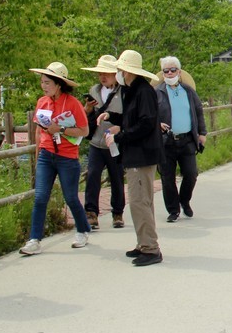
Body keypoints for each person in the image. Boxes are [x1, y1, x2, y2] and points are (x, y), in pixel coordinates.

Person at [19, 62, 92, 256]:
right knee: (40, 197)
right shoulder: (42, 102)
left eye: (48, 82)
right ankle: (34, 239)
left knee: (70, 197)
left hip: (67, 157)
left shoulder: (73, 103)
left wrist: (60, 129)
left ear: (59, 83)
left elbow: (84, 130)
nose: (44, 86)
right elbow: (37, 130)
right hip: (46, 155)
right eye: (42, 82)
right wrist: (37, 155)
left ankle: (83, 229)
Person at [102, 50, 164, 267]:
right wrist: (113, 116)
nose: (118, 73)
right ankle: (143, 242)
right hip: (137, 152)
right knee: (142, 201)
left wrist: (122, 135)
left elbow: (146, 123)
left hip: (141, 153)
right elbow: (133, 118)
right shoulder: (133, 90)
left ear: (127, 71)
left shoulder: (143, 91)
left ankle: (150, 248)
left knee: (139, 201)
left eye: (120, 69)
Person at [155, 56, 206, 222]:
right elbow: (149, 115)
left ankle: (184, 200)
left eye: (172, 70)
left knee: (191, 173)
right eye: (166, 71)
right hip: (166, 141)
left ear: (179, 71)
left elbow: (198, 111)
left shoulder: (188, 91)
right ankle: (173, 209)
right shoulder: (157, 92)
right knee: (167, 177)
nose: (169, 73)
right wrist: (157, 124)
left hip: (187, 140)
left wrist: (202, 133)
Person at [81, 55, 125, 229]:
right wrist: (88, 109)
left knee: (116, 177)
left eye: (107, 73)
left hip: (114, 142)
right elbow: (88, 118)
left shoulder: (123, 92)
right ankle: (91, 212)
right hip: (96, 142)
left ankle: (117, 213)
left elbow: (128, 116)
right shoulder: (94, 90)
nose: (103, 77)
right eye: (100, 73)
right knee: (92, 175)